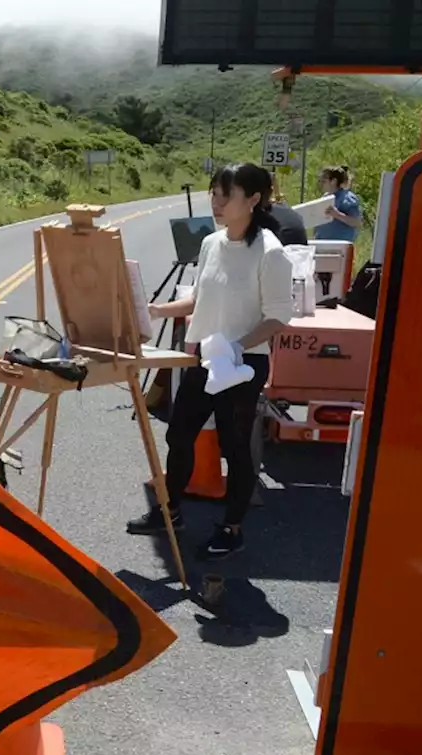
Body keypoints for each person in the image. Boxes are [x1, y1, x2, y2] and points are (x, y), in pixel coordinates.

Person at [128, 163, 294, 559]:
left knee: (234, 447)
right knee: (179, 434)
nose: (216, 203)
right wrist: (156, 310)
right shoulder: (211, 243)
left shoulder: (271, 253)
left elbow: (278, 316)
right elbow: (199, 300)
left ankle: (231, 527)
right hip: (205, 360)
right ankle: (171, 510)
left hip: (242, 364)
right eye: (214, 194)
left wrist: (237, 346)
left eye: (226, 195)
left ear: (253, 199)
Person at [314, 165, 362, 243]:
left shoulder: (347, 198)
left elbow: (357, 222)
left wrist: (337, 214)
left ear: (334, 181)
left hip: (340, 246)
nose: (321, 184)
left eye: (324, 181)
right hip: (321, 243)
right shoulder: (324, 197)